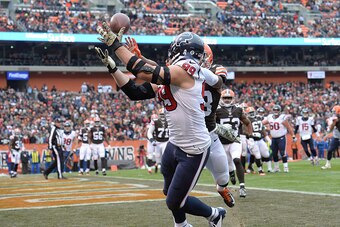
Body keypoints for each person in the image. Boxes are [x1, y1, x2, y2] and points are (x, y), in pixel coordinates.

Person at [96, 26, 227, 226]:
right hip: (174, 145)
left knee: (174, 201)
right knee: (169, 192)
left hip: (194, 150)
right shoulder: (175, 75)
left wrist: (116, 45)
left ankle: (214, 214)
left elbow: (142, 70)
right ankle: (183, 223)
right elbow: (134, 92)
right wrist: (113, 68)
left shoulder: (183, 72)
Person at [215, 89, 253, 198]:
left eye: (229, 98)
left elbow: (247, 123)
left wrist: (250, 137)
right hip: (222, 143)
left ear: (233, 98)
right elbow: (210, 124)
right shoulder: (217, 110)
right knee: (227, 165)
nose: (227, 100)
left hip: (235, 141)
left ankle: (242, 187)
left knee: (237, 159)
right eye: (225, 98)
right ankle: (232, 173)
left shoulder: (238, 110)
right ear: (221, 98)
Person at [262, 105, 295, 173]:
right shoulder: (270, 117)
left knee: (283, 152)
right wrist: (264, 127)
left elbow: (289, 127)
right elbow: (262, 123)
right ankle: (276, 168)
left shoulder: (282, 117)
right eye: (275, 110)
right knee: (274, 153)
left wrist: (293, 136)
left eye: (277, 110)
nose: (276, 111)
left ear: (279, 111)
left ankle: (285, 167)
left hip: (281, 138)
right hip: (273, 138)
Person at [244, 106, 271, 175]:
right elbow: (244, 131)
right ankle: (260, 170)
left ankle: (251, 166)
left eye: (252, 112)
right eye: (250, 113)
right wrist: (251, 135)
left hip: (260, 140)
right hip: (252, 140)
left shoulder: (258, 118)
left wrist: (266, 137)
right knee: (257, 155)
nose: (252, 114)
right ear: (247, 113)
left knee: (266, 154)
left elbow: (262, 129)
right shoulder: (246, 120)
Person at [146, 109, 169, 174]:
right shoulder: (153, 123)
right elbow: (148, 133)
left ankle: (160, 166)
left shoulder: (169, 121)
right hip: (154, 141)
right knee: (152, 155)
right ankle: (150, 168)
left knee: (163, 156)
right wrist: (151, 140)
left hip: (163, 141)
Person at [321, 105, 340, 169]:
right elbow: (330, 129)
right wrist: (334, 123)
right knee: (329, 150)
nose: (333, 113)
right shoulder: (332, 119)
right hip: (336, 137)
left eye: (335, 112)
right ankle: (328, 164)